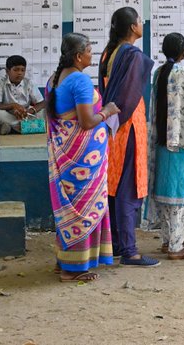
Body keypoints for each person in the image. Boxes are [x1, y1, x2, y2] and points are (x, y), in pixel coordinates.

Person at [47, 33, 120, 281]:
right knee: (81, 209)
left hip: (67, 158)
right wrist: (108, 110)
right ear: (79, 56)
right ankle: (73, 269)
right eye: (89, 50)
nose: (92, 54)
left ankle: (65, 262)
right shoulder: (80, 81)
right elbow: (87, 121)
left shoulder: (55, 80)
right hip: (82, 162)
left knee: (70, 210)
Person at [96, 6, 156, 266]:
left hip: (111, 125)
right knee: (128, 187)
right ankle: (129, 250)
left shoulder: (108, 52)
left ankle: (116, 244)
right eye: (140, 21)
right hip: (126, 124)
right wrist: (119, 121)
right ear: (133, 27)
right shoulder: (132, 54)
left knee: (114, 185)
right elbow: (129, 95)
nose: (142, 24)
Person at [147, 33, 184, 260]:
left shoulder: (158, 73)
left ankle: (167, 240)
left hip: (161, 140)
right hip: (181, 142)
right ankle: (176, 245)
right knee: (181, 196)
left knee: (165, 194)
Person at [0, 54, 45, 134]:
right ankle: (27, 127)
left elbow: (41, 103)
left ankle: (13, 128)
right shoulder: (0, 83)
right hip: (10, 115)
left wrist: (30, 111)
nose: (20, 73)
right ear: (7, 71)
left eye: (22, 70)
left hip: (26, 115)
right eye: (16, 70)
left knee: (44, 111)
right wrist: (13, 106)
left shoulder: (29, 83)